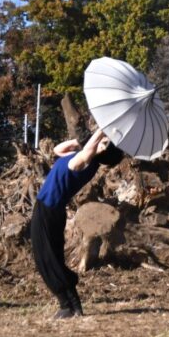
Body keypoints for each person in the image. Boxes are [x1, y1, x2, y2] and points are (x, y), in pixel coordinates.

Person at [31, 128, 123, 319]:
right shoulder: (79, 158)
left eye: (105, 143)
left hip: (49, 210)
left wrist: (101, 130)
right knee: (49, 257)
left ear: (101, 151)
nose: (102, 141)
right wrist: (82, 140)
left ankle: (68, 305)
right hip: (48, 209)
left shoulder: (84, 163)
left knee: (47, 258)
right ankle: (71, 305)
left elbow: (88, 149)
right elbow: (57, 149)